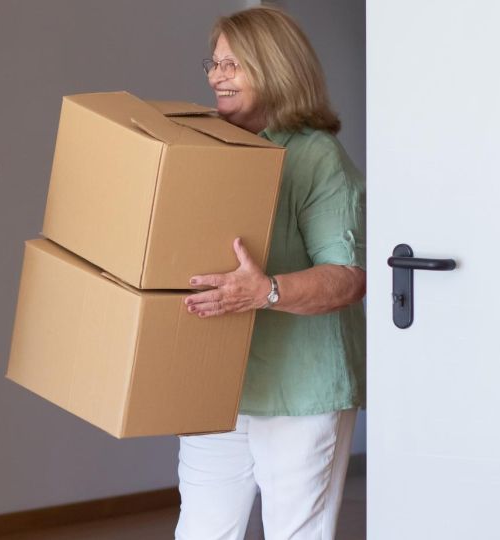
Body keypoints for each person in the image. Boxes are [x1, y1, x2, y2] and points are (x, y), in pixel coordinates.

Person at [178, 6, 366, 539]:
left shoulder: (317, 157)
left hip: (299, 388)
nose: (217, 76)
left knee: (295, 533)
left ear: (274, 66)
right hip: (220, 385)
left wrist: (266, 291)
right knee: (201, 530)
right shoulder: (208, 149)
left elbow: (349, 277)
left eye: (233, 64)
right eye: (214, 64)